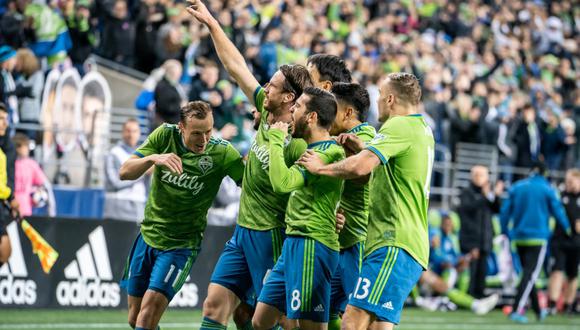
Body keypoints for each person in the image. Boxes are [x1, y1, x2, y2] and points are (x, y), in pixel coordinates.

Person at [186, 2, 314, 329]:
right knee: (215, 305)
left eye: (271, 86)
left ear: (288, 98)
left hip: (272, 236)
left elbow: (304, 184)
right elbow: (236, 66)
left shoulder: (297, 141)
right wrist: (213, 24)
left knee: (275, 319)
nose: (264, 88)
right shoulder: (265, 110)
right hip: (243, 232)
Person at [298, 72, 435, 330]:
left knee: (352, 322)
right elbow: (392, 170)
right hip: (408, 243)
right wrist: (363, 147)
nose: (379, 102)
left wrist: (320, 169)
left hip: (393, 242)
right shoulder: (423, 129)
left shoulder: (399, 125)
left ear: (391, 99)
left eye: (381, 97)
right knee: (376, 326)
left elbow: (362, 168)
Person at [118, 101, 244, 330]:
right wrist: (152, 158)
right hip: (147, 237)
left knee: (146, 319)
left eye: (208, 131)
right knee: (134, 319)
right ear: (181, 128)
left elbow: (251, 185)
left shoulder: (222, 152)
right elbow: (124, 172)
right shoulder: (165, 136)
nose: (204, 139)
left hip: (180, 246)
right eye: (197, 133)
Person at [252, 87, 343, 330]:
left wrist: (275, 140)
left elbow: (282, 184)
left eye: (299, 106)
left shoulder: (327, 152)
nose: (292, 109)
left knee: (308, 325)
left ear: (312, 117)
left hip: (313, 243)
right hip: (294, 242)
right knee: (261, 320)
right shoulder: (310, 150)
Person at [325, 82, 375, 329]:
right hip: (341, 241)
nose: (327, 114)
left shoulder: (365, 137)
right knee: (325, 311)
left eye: (332, 108)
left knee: (358, 316)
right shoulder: (338, 138)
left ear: (347, 113)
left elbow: (364, 168)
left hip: (358, 240)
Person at [500, 162, 571, 324]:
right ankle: (517, 309)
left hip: (518, 237)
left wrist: (505, 230)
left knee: (527, 274)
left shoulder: (517, 187)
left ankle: (538, 310)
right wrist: (567, 228)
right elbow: (558, 211)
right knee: (530, 274)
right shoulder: (547, 188)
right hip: (538, 237)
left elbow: (505, 212)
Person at [456, 165, 503, 298]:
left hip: (485, 240)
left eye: (482, 175)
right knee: (471, 273)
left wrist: (496, 195)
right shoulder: (466, 192)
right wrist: (485, 197)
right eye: (476, 175)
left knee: (482, 272)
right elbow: (467, 210)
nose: (478, 178)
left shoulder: (488, 194)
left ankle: (480, 297)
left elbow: (497, 209)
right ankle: (469, 299)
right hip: (471, 241)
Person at [548, 169, 580, 315]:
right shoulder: (559, 195)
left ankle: (569, 304)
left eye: (572, 181)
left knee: (573, 274)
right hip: (560, 240)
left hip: (577, 242)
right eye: (567, 180)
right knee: (557, 271)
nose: (569, 183)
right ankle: (552, 304)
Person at [103, 118, 147, 222]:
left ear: (139, 133)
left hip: (139, 207)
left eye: (135, 131)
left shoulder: (143, 155)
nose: (131, 135)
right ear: (122, 132)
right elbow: (115, 183)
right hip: (117, 208)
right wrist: (143, 172)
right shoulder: (114, 153)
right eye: (128, 131)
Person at [13, 133, 53, 217]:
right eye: (26, 146)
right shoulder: (8, 163)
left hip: (25, 210)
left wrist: (36, 192)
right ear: (18, 148)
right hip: (9, 209)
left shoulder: (31, 164)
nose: (28, 149)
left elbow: (44, 184)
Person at [0, 103, 16, 266]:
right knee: (5, 250)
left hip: (2, 202)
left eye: (6, 119)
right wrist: (10, 196)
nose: (4, 123)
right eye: (0, 119)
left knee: (5, 252)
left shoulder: (7, 146)